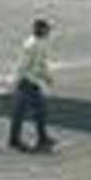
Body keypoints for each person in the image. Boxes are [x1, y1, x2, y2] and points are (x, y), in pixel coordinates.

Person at [8, 18, 55, 152]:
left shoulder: (39, 44)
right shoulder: (31, 45)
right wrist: (20, 81)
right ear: (40, 29)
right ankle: (14, 140)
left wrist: (47, 78)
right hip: (26, 83)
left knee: (40, 111)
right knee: (20, 113)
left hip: (33, 82)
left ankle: (42, 137)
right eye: (46, 29)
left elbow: (40, 64)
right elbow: (23, 66)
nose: (48, 32)